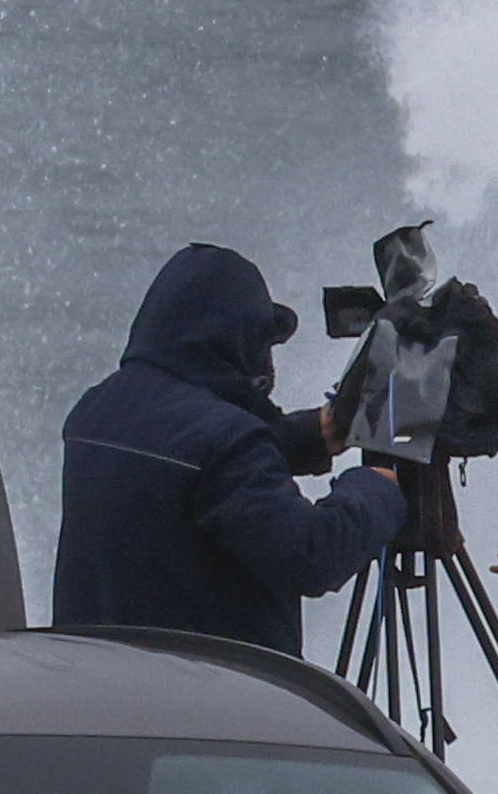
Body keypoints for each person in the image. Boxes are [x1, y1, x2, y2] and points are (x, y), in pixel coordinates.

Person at [51, 242, 407, 655]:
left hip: (93, 683)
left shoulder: (95, 409)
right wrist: (376, 488)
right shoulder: (228, 441)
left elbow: (188, 466)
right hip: (212, 700)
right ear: (234, 339)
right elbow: (310, 556)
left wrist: (314, 434)